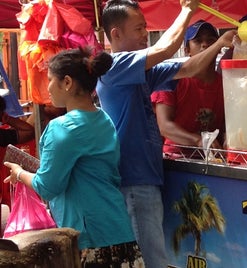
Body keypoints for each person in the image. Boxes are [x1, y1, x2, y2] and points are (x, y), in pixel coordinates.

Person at [97, 0, 235, 267]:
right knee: (154, 261)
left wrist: (219, 45)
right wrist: (187, 10)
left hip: (147, 177)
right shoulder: (116, 66)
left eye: (144, 28)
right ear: (116, 34)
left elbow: (190, 68)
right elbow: (165, 48)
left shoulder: (139, 72)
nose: (144, 36)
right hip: (134, 180)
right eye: (138, 29)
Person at [3, 47, 145, 267]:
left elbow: (48, 186)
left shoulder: (62, 128)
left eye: (50, 79)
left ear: (67, 82)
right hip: (120, 231)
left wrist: (20, 173)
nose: (47, 87)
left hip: (90, 240)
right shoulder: (104, 119)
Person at [151, 20, 226, 157]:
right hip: (177, 160)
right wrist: (198, 140)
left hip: (215, 159)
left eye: (211, 40)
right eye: (197, 41)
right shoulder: (172, 80)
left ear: (219, 47)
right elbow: (164, 126)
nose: (205, 44)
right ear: (187, 50)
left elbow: (228, 124)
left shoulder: (226, 84)